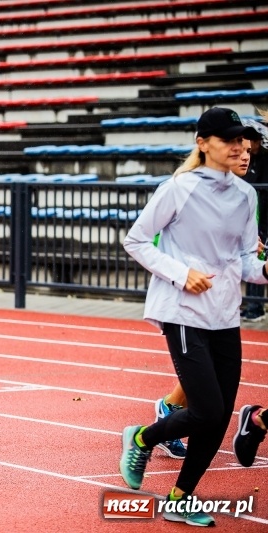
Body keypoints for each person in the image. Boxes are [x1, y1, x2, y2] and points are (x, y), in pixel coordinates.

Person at [119, 107, 267, 527]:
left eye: (241, 139)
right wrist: (182, 274)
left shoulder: (246, 195)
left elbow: (243, 262)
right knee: (206, 410)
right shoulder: (178, 188)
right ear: (203, 144)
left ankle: (180, 497)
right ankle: (144, 437)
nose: (238, 146)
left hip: (226, 315)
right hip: (182, 311)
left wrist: (265, 270)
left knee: (219, 415)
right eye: (227, 139)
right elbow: (137, 240)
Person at [152, 135, 260, 460]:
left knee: (210, 381)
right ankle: (163, 419)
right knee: (208, 394)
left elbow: (243, 249)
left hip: (222, 302)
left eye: (249, 153)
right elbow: (151, 238)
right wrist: (182, 269)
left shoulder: (245, 194)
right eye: (238, 149)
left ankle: (170, 413)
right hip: (189, 297)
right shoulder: (185, 190)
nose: (244, 157)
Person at [240, 111, 268, 321]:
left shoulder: (265, 161)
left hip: (264, 218)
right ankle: (251, 304)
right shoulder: (247, 160)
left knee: (257, 258)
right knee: (249, 257)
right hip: (251, 216)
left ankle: (256, 307)